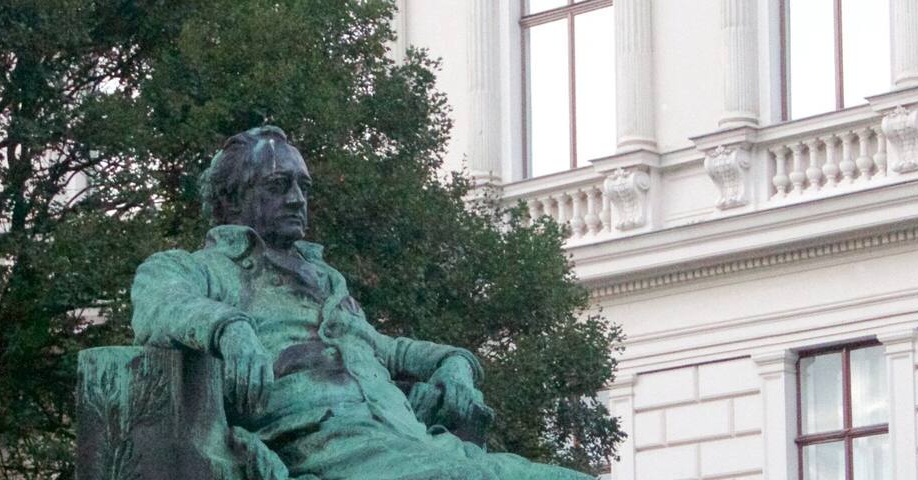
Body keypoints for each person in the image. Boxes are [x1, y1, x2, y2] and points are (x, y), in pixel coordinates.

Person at [128, 126, 591, 480]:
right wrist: (229, 326)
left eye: (303, 187)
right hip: (328, 443)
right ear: (230, 200)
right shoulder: (201, 268)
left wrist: (456, 364)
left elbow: (388, 350)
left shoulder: (325, 281)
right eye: (278, 185)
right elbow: (159, 304)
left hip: (405, 440)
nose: (297, 199)